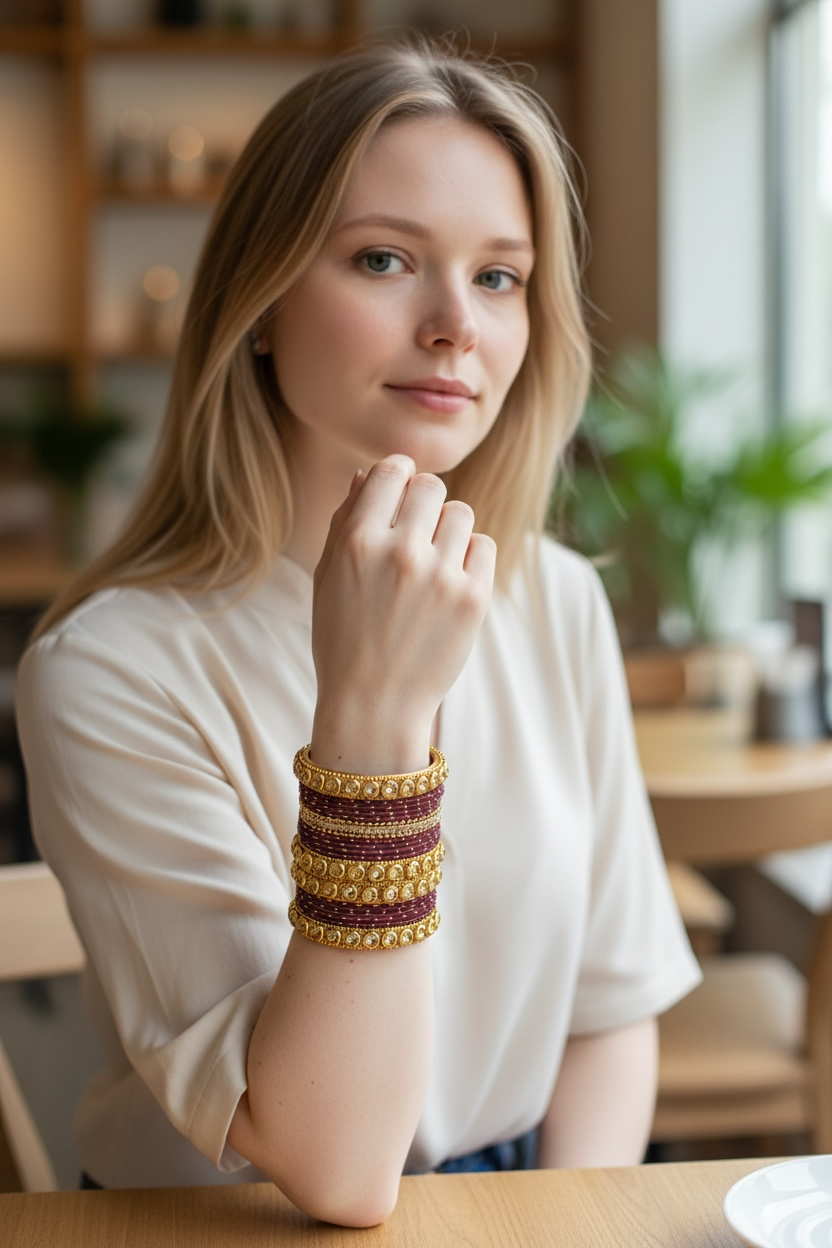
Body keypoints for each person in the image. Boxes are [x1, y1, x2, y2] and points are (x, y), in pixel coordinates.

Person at [16, 37, 700, 1226]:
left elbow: (609, 1011)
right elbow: (332, 1163)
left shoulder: (553, 599)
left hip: (520, 1202)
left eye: (499, 277)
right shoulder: (109, 671)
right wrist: (373, 723)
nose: (455, 327)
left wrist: (564, 1222)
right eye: (384, 259)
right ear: (262, 302)